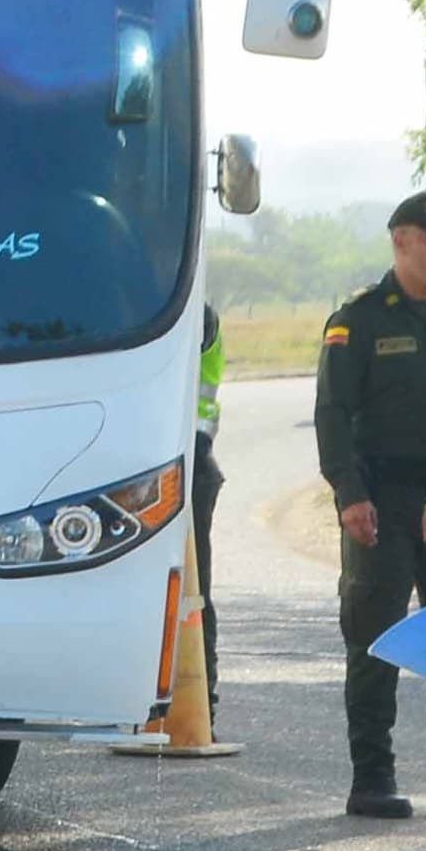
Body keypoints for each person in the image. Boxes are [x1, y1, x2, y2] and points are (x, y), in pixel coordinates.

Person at [314, 191, 426, 820]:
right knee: (375, 634)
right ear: (402, 242)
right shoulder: (358, 320)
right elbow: (331, 413)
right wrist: (350, 495)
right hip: (382, 500)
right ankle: (373, 777)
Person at [191, 299, 226, 716]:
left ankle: (201, 707)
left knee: (194, 594)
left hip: (193, 465)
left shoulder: (192, 312)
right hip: (159, 464)